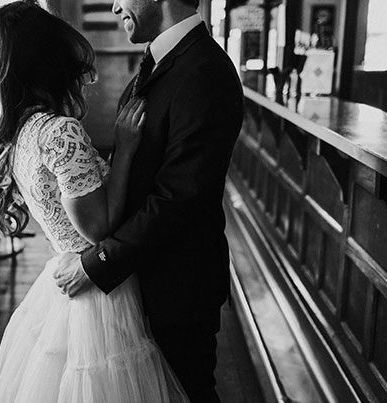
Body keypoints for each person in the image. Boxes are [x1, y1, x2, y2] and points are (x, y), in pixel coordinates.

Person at [0, 2, 189, 402]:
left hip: (64, 278)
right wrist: (125, 150)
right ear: (47, 61)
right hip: (97, 298)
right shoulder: (58, 132)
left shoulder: (21, 130)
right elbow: (97, 228)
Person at [54, 0, 244, 401]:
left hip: (177, 290)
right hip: (142, 282)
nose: (114, 5)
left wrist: (99, 261)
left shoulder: (205, 71)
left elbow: (180, 198)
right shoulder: (160, 62)